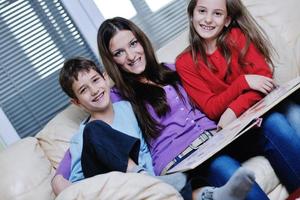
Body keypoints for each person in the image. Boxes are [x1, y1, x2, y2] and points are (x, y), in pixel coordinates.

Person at [96, 16, 259, 200]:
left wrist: (242, 114)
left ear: (142, 41)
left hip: (217, 139)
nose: (131, 56)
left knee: (274, 123)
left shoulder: (171, 69)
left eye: (133, 43)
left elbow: (214, 98)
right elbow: (95, 134)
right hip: (181, 159)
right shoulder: (117, 97)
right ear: (111, 61)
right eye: (119, 53)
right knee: (223, 165)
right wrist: (59, 179)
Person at [52, 57, 255, 200]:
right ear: (76, 102)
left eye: (95, 81)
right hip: (110, 187)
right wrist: (59, 182)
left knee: (175, 186)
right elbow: (74, 184)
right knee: (95, 130)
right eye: (83, 90)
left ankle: (213, 195)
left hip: (147, 185)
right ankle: (147, 178)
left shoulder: (128, 107)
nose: (94, 91)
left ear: (105, 78)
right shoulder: (84, 134)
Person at [175, 0, 300, 197]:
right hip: (235, 136)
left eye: (217, 14)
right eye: (202, 11)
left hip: (262, 117)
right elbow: (211, 108)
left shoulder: (237, 36)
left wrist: (232, 110)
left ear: (227, 20)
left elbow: (264, 81)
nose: (208, 19)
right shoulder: (185, 62)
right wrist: (243, 82)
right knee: (277, 120)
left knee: (278, 120)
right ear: (191, 15)